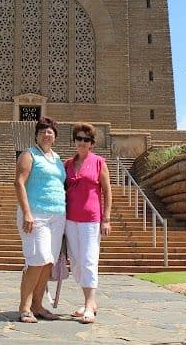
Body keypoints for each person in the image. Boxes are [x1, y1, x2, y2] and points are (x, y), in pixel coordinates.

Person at [14, 117, 66, 323]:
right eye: (43, 130)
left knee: (47, 262)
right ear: (36, 134)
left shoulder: (57, 158)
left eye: (50, 131)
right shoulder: (29, 154)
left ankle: (37, 305)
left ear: (55, 136)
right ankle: (24, 307)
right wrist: (27, 212)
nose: (47, 134)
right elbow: (19, 183)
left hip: (57, 216)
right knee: (37, 260)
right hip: (36, 215)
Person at [64, 122, 112, 324]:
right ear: (74, 141)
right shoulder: (67, 164)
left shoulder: (99, 162)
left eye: (86, 139)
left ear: (91, 143)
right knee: (75, 262)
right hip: (69, 218)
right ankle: (87, 302)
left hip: (91, 219)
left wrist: (107, 218)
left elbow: (107, 191)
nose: (82, 142)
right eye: (79, 139)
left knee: (88, 259)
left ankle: (90, 304)